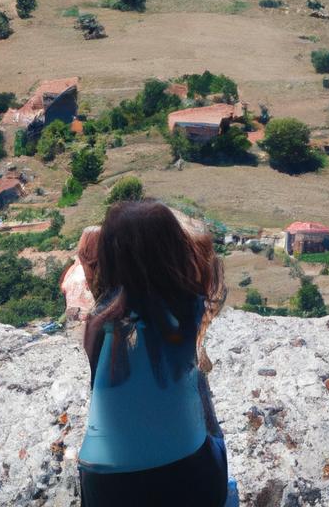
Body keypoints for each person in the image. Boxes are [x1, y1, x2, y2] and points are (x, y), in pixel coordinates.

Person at [77, 200, 229, 507]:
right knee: (199, 387)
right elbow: (205, 256)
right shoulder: (189, 309)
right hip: (191, 482)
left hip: (108, 488)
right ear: (175, 249)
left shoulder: (98, 323)